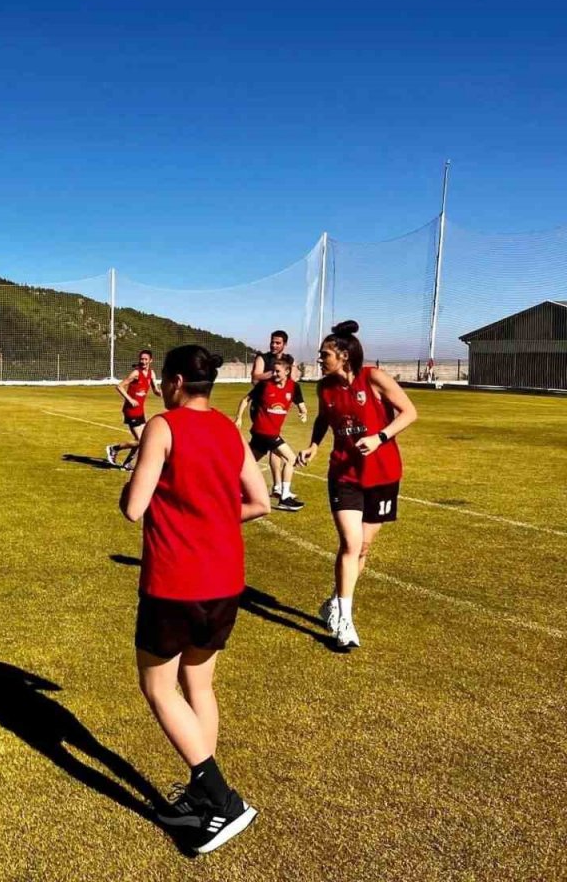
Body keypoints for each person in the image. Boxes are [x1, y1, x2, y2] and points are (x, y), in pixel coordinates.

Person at [119, 345, 271, 854]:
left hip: (174, 583)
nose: (162, 386)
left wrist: (140, 472)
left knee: (159, 688)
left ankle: (221, 799)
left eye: (165, 379)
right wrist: (212, 521)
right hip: (226, 582)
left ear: (178, 381)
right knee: (198, 685)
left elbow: (133, 508)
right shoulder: (229, 430)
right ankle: (203, 802)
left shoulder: (164, 426)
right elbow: (260, 501)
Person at [297, 321, 417, 650]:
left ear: (344, 356)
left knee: (363, 547)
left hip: (383, 473)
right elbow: (323, 418)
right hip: (344, 474)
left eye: (325, 354)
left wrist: (379, 438)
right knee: (351, 543)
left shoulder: (374, 377)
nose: (320, 359)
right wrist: (314, 445)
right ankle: (345, 622)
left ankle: (335, 601)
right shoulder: (324, 388)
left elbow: (409, 412)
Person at [234, 353, 308, 510]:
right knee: (290, 459)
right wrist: (239, 418)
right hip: (265, 431)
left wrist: (303, 412)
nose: (274, 374)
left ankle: (232, 489)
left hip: (268, 432)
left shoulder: (294, 387)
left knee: (248, 462)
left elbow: (300, 403)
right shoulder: (264, 385)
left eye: (277, 371)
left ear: (287, 372)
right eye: (273, 371)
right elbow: (245, 400)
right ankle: (285, 497)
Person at [106, 350, 157, 470]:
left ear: (151, 360)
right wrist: (130, 399)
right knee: (141, 440)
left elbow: (156, 390)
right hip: (131, 411)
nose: (143, 361)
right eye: (141, 359)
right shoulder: (135, 373)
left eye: (146, 359)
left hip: (140, 411)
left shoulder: (151, 373)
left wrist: (161, 392)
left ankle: (127, 463)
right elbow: (119, 386)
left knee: (142, 439)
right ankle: (114, 448)